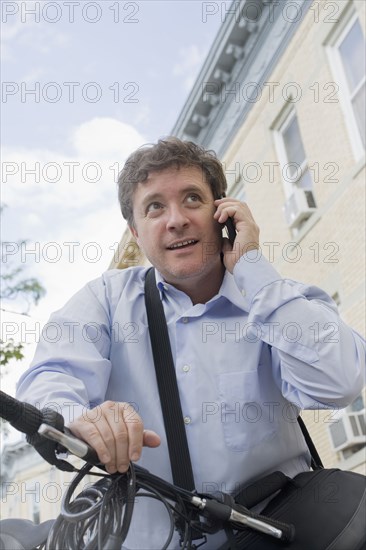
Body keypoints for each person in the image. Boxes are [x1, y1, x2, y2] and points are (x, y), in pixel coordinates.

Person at [16, 137, 365, 549]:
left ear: (223, 213)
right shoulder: (104, 301)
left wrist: (252, 268)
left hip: (278, 536)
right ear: (135, 232)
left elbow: (341, 383)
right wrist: (78, 417)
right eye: (155, 207)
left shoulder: (277, 299)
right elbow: (50, 377)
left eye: (192, 199)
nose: (176, 219)